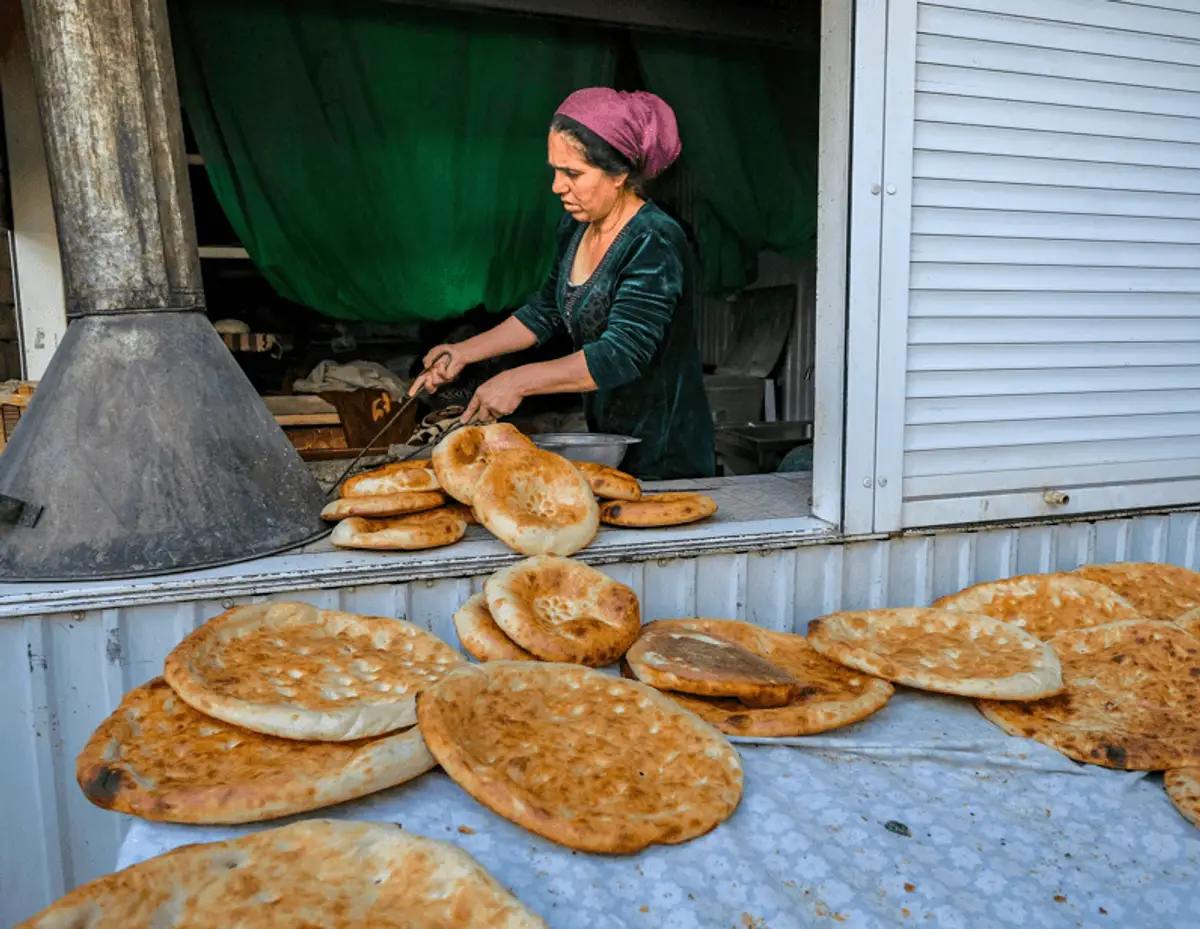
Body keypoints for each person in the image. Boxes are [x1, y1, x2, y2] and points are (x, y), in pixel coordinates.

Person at [410, 87, 715, 481]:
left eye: (573, 173)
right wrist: (464, 352)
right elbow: (547, 310)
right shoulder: (576, 226)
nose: (557, 186)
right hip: (611, 440)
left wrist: (517, 382)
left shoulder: (653, 240)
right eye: (555, 170)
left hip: (666, 453)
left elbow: (620, 354)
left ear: (620, 174)